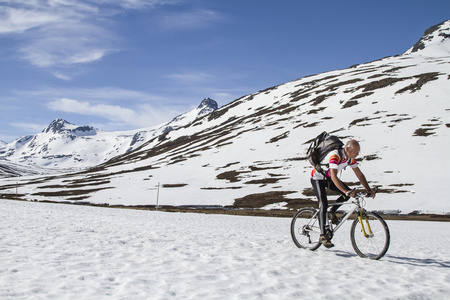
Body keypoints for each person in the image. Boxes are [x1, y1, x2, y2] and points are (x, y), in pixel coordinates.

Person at [310, 139, 375, 248]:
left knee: (346, 196)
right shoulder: (335, 156)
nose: (357, 154)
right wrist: (346, 191)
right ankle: (323, 235)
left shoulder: (350, 159)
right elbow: (334, 176)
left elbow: (359, 175)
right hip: (318, 178)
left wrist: (368, 189)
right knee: (324, 204)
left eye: (358, 152)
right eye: (355, 152)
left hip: (329, 178)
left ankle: (332, 212)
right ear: (347, 149)